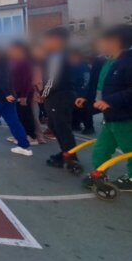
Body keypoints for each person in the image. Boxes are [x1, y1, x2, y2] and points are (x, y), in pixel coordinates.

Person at [81, 25, 132, 191]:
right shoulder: (109, 61)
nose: (99, 44)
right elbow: (99, 86)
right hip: (110, 116)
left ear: (116, 41)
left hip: (127, 118)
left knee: (131, 149)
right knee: (102, 148)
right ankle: (99, 174)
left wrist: (110, 101)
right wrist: (86, 98)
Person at [40, 27, 76, 168]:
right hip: (59, 95)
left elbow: (53, 79)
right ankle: (65, 152)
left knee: (62, 127)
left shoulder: (58, 56)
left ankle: (71, 157)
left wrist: (44, 93)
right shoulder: (57, 55)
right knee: (55, 125)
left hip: (59, 96)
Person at [6, 41, 38, 146]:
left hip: (24, 92)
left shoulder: (25, 61)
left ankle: (31, 136)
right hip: (15, 92)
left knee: (25, 114)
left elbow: (27, 80)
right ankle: (20, 134)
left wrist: (24, 95)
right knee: (18, 115)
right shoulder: (12, 61)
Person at [68, 50, 91, 132]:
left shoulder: (83, 66)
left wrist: (83, 90)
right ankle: (75, 125)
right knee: (75, 109)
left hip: (82, 91)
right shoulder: (72, 65)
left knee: (84, 110)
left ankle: (89, 127)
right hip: (74, 90)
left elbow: (87, 79)